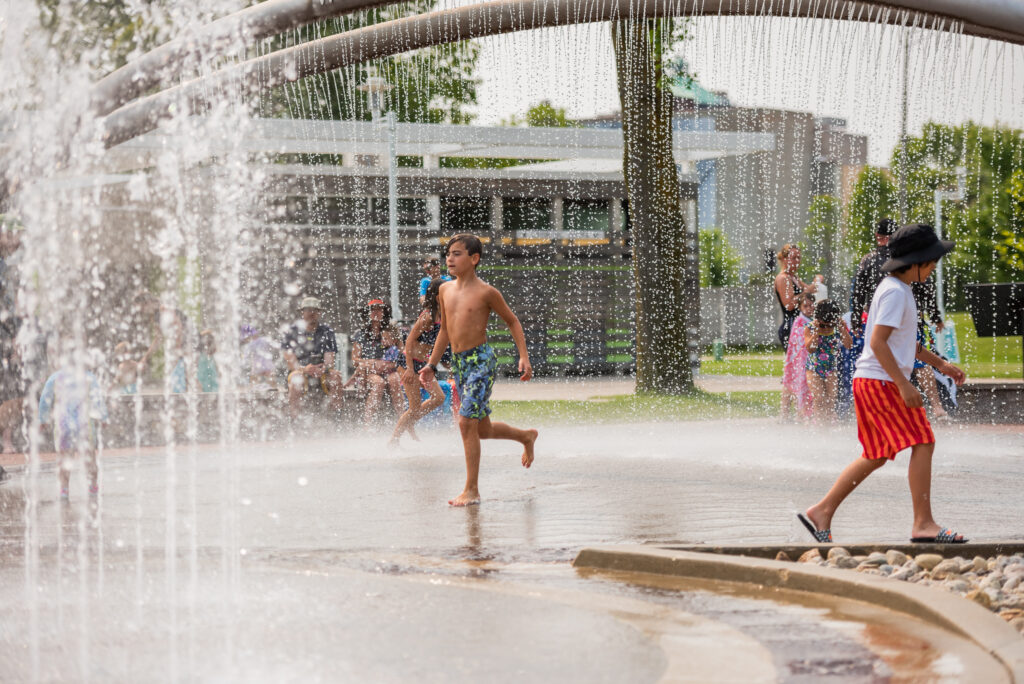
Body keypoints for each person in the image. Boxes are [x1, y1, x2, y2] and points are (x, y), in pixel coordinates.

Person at [798, 224, 967, 545]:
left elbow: (906, 345)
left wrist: (942, 365)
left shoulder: (898, 290)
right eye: (931, 261)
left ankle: (823, 509)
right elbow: (877, 342)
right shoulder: (894, 292)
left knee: (878, 453)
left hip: (876, 381)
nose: (934, 267)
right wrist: (904, 384)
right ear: (915, 262)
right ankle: (923, 524)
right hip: (881, 383)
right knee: (923, 440)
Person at [418, 234, 538, 507]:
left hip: (481, 362)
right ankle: (526, 436)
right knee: (480, 429)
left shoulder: (487, 292)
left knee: (465, 423)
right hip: (460, 363)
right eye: (448, 253)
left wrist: (524, 357)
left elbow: (512, 321)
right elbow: (445, 331)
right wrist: (430, 364)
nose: (449, 258)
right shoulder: (444, 291)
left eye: (457, 253)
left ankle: (471, 489)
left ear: (474, 259)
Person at [38, 357, 109, 501]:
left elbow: (45, 399)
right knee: (90, 459)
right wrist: (103, 416)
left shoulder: (55, 378)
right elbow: (98, 399)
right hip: (84, 426)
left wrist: (42, 420)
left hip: (64, 426)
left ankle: (64, 490)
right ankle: (93, 487)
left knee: (64, 459)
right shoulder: (89, 377)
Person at [391, 279, 451, 445]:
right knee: (414, 407)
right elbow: (409, 341)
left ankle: (410, 421)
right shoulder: (427, 316)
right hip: (408, 362)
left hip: (423, 365)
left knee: (439, 397)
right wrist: (410, 369)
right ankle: (394, 440)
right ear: (438, 296)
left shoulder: (443, 315)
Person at [282, 296, 345, 420]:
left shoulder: (327, 331)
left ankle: (337, 417)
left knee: (336, 376)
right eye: (308, 310)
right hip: (299, 371)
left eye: (315, 310)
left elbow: (329, 360)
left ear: (319, 313)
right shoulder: (292, 331)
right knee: (296, 380)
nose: (312, 313)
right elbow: (290, 361)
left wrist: (323, 369)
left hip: (321, 373)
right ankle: (295, 420)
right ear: (302, 312)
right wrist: (305, 369)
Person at [350, 299, 404, 425]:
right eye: (372, 309)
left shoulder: (393, 331)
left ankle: (404, 420)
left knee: (395, 380)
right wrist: (372, 363)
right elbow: (355, 360)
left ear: (384, 312)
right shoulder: (360, 334)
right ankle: (368, 424)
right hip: (369, 371)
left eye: (379, 309)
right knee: (378, 383)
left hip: (390, 369)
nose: (376, 312)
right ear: (367, 313)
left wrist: (390, 364)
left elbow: (402, 353)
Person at [803, 299, 853, 423]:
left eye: (830, 324)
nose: (827, 327)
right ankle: (820, 427)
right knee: (819, 399)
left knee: (831, 400)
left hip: (832, 368)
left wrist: (842, 329)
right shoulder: (810, 328)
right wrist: (816, 332)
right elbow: (810, 348)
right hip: (814, 368)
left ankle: (828, 428)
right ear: (818, 318)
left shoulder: (837, 327)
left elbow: (848, 345)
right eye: (824, 324)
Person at [850, 218, 897, 335]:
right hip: (900, 316)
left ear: (877, 235)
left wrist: (856, 321)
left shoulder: (868, 260)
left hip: (876, 316)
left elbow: (858, 292)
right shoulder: (904, 259)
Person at [773, 244, 819, 350]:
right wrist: (808, 290)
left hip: (798, 325)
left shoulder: (793, 277)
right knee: (797, 364)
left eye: (799, 257)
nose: (797, 261)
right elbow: (789, 305)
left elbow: (810, 291)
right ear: (785, 259)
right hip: (790, 327)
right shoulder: (783, 278)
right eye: (793, 258)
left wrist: (817, 280)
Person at [780, 293, 815, 422]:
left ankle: (798, 414)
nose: (809, 308)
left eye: (811, 305)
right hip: (798, 360)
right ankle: (791, 414)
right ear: (800, 307)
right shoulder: (800, 321)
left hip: (803, 360)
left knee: (797, 385)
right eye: (805, 306)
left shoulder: (810, 321)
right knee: (793, 384)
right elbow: (797, 344)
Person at [239, 324, 277, 390]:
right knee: (272, 383)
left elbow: (245, 356)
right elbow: (275, 346)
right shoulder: (264, 339)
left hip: (257, 366)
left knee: (254, 383)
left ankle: (253, 394)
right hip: (267, 364)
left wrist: (242, 362)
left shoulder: (249, 345)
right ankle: (274, 391)